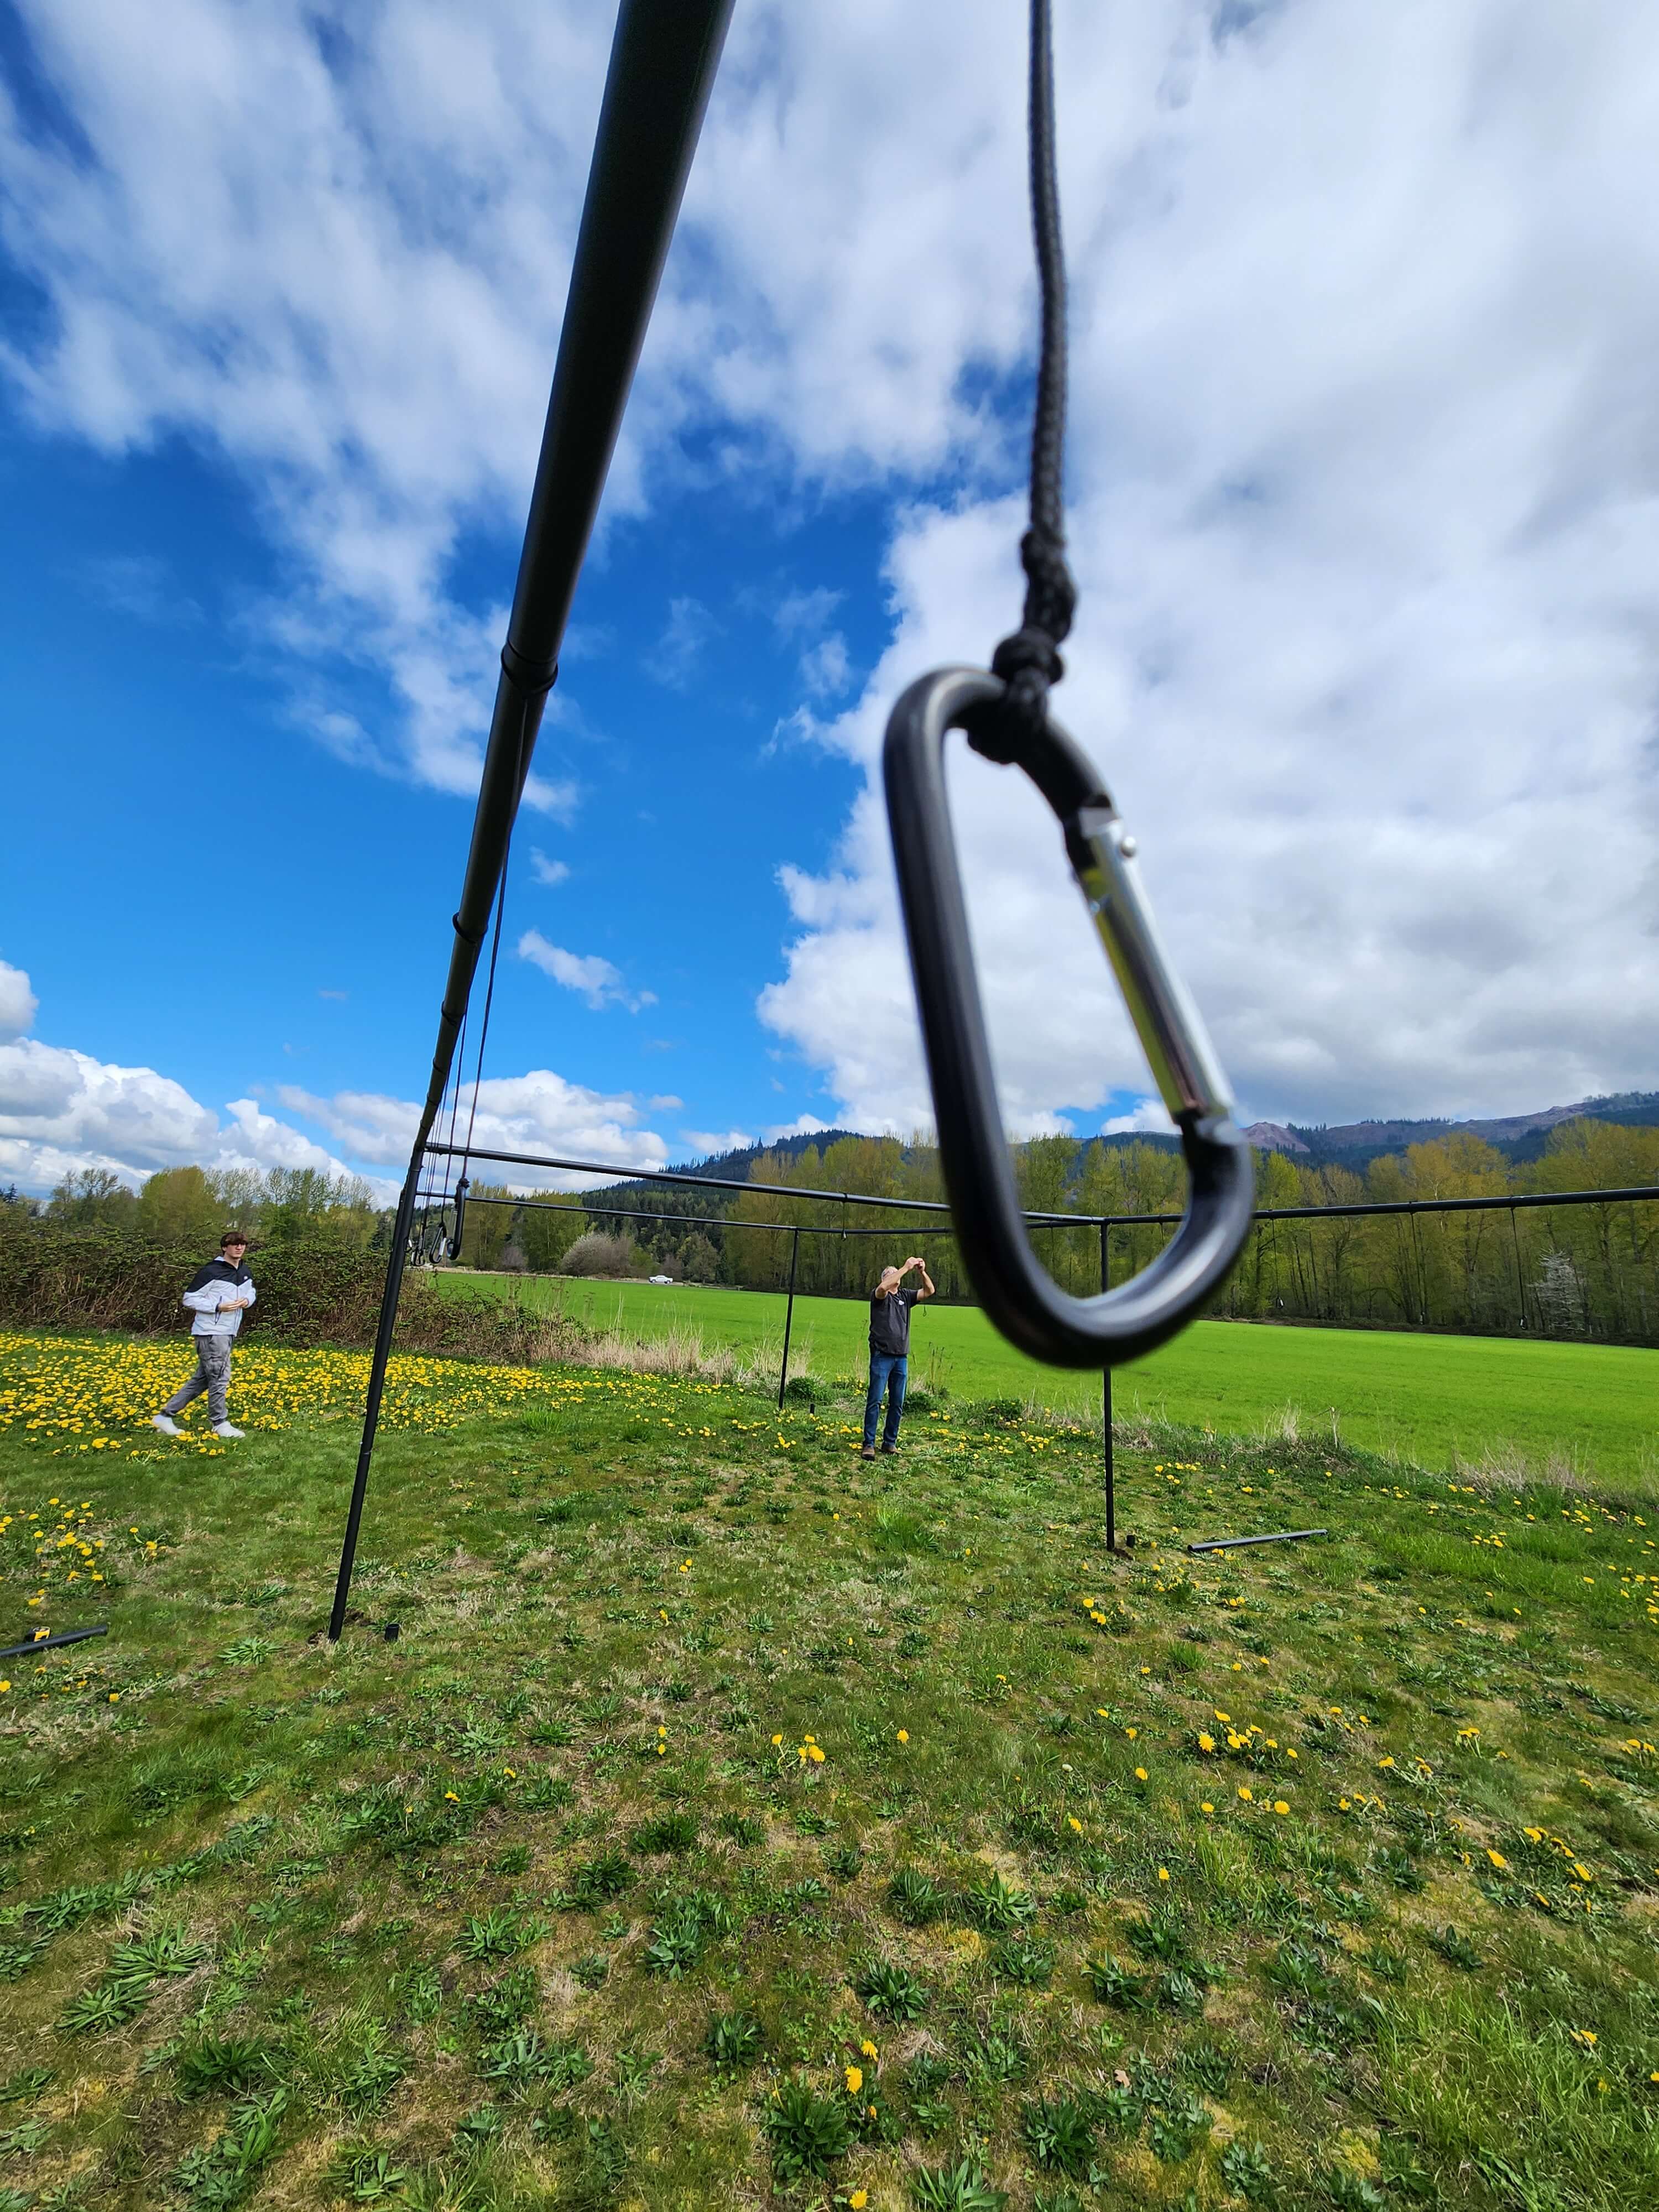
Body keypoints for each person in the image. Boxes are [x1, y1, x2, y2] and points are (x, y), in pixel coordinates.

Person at [152, 1229, 257, 1440]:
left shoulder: (244, 1270)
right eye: (234, 1244)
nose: (239, 1247)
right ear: (224, 1248)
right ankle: (220, 1423)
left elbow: (251, 1292)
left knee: (203, 1379)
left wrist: (247, 1301)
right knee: (220, 1377)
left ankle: (165, 1417)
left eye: (242, 1244)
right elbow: (189, 1299)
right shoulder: (211, 1271)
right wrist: (218, 1306)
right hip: (210, 1332)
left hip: (228, 1332)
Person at [862, 1254, 933, 1460]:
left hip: (901, 1358)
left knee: (897, 1402)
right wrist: (905, 1267)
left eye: (896, 1275)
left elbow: (929, 1291)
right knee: (875, 1400)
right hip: (881, 1356)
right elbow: (884, 1288)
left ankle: (889, 1443)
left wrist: (921, 1273)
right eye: (890, 1275)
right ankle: (869, 1444)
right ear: (884, 1278)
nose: (895, 1277)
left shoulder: (905, 1296)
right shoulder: (879, 1297)